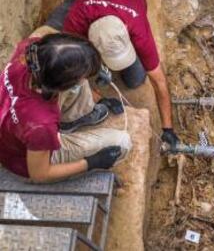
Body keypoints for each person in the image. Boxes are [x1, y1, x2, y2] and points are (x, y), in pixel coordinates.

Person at [45, 0, 179, 149]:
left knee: (136, 79)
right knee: (52, 41)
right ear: (90, 44)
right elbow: (70, 69)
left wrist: (168, 128)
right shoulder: (76, 21)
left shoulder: (138, 29)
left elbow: (159, 81)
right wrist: (100, 99)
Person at [0, 31, 131, 183]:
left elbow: (49, 36)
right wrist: (91, 163)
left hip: (12, 132)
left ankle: (70, 121)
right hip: (23, 163)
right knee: (122, 142)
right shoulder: (41, 124)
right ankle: (70, 156)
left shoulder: (32, 52)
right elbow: (39, 175)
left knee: (80, 83)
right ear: (60, 86)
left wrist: (95, 66)